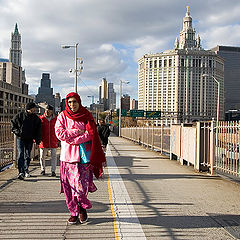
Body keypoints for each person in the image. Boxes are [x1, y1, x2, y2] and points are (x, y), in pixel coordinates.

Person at [55, 92, 106, 225]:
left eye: (75, 102)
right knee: (69, 187)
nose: (72, 105)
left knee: (81, 186)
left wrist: (74, 140)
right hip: (67, 158)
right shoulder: (62, 116)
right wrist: (77, 132)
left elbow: (91, 133)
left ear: (79, 102)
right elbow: (60, 134)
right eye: (70, 102)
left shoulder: (86, 115)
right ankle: (74, 212)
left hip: (83, 158)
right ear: (66, 103)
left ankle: (82, 208)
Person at [11, 102, 41, 180]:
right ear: (29, 108)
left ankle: (26, 169)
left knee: (28, 156)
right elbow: (13, 124)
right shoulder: (19, 116)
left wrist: (38, 141)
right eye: (34, 108)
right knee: (21, 154)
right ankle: (21, 172)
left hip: (30, 139)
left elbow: (38, 130)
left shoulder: (36, 118)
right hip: (20, 138)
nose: (35, 109)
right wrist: (17, 132)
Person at [39, 104, 58, 177]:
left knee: (54, 156)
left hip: (53, 140)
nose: (47, 112)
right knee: (42, 156)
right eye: (46, 110)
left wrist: (58, 139)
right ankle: (42, 169)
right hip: (43, 140)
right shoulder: (41, 118)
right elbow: (37, 130)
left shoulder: (56, 119)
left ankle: (53, 171)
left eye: (49, 111)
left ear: (52, 111)